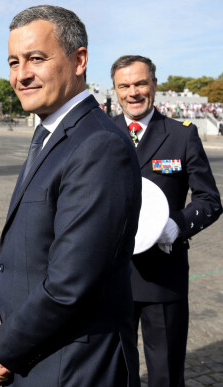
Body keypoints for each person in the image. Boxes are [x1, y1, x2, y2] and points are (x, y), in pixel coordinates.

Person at [0, 6, 142, 386]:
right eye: (14, 62)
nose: (21, 75)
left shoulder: (98, 144)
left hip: (72, 365)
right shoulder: (50, 134)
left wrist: (1, 347)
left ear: (79, 60)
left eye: (36, 58)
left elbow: (71, 284)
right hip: (37, 355)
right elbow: (19, 252)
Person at [111, 55, 222, 387]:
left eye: (140, 83)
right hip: (111, 277)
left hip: (163, 275)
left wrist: (176, 225)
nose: (133, 92)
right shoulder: (101, 133)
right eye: (124, 86)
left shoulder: (181, 135)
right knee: (116, 373)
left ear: (154, 85)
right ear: (115, 90)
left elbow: (209, 200)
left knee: (165, 374)